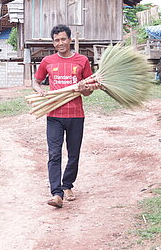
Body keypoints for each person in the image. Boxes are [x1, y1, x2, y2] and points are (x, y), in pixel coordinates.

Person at [32, 24, 97, 208]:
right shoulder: (47, 61)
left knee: (73, 154)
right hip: (54, 114)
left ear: (69, 40)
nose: (60, 43)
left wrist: (86, 90)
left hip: (76, 115)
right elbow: (35, 81)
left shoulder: (82, 60)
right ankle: (56, 193)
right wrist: (39, 90)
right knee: (54, 154)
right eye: (56, 40)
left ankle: (68, 185)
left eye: (63, 39)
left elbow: (89, 90)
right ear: (53, 43)